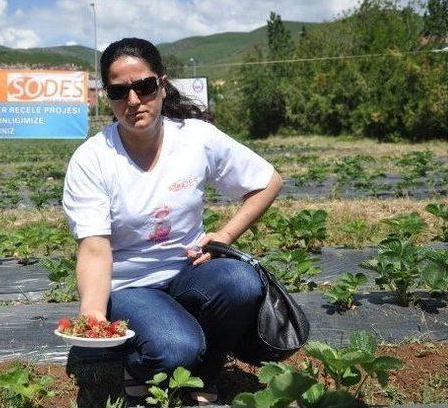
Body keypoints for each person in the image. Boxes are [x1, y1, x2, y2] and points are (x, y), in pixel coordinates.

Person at [62, 37, 283, 404]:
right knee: (175, 347)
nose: (133, 101)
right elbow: (96, 248)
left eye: (144, 86)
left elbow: (267, 181)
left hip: (188, 273)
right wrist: (93, 317)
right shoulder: (93, 159)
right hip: (131, 287)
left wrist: (225, 234)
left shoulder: (196, 139)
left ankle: (207, 375)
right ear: (108, 96)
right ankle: (139, 364)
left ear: (162, 85)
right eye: (119, 92)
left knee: (242, 282)